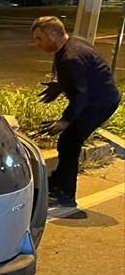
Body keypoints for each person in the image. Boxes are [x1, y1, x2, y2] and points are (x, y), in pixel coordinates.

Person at [30, 16, 120, 209]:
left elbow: (81, 94)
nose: (37, 43)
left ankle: (65, 194)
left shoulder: (71, 56)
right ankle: (59, 184)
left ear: (53, 34)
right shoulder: (70, 44)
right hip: (96, 98)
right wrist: (60, 86)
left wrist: (65, 120)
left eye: (39, 38)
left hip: (100, 103)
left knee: (70, 141)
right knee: (68, 142)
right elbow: (82, 78)